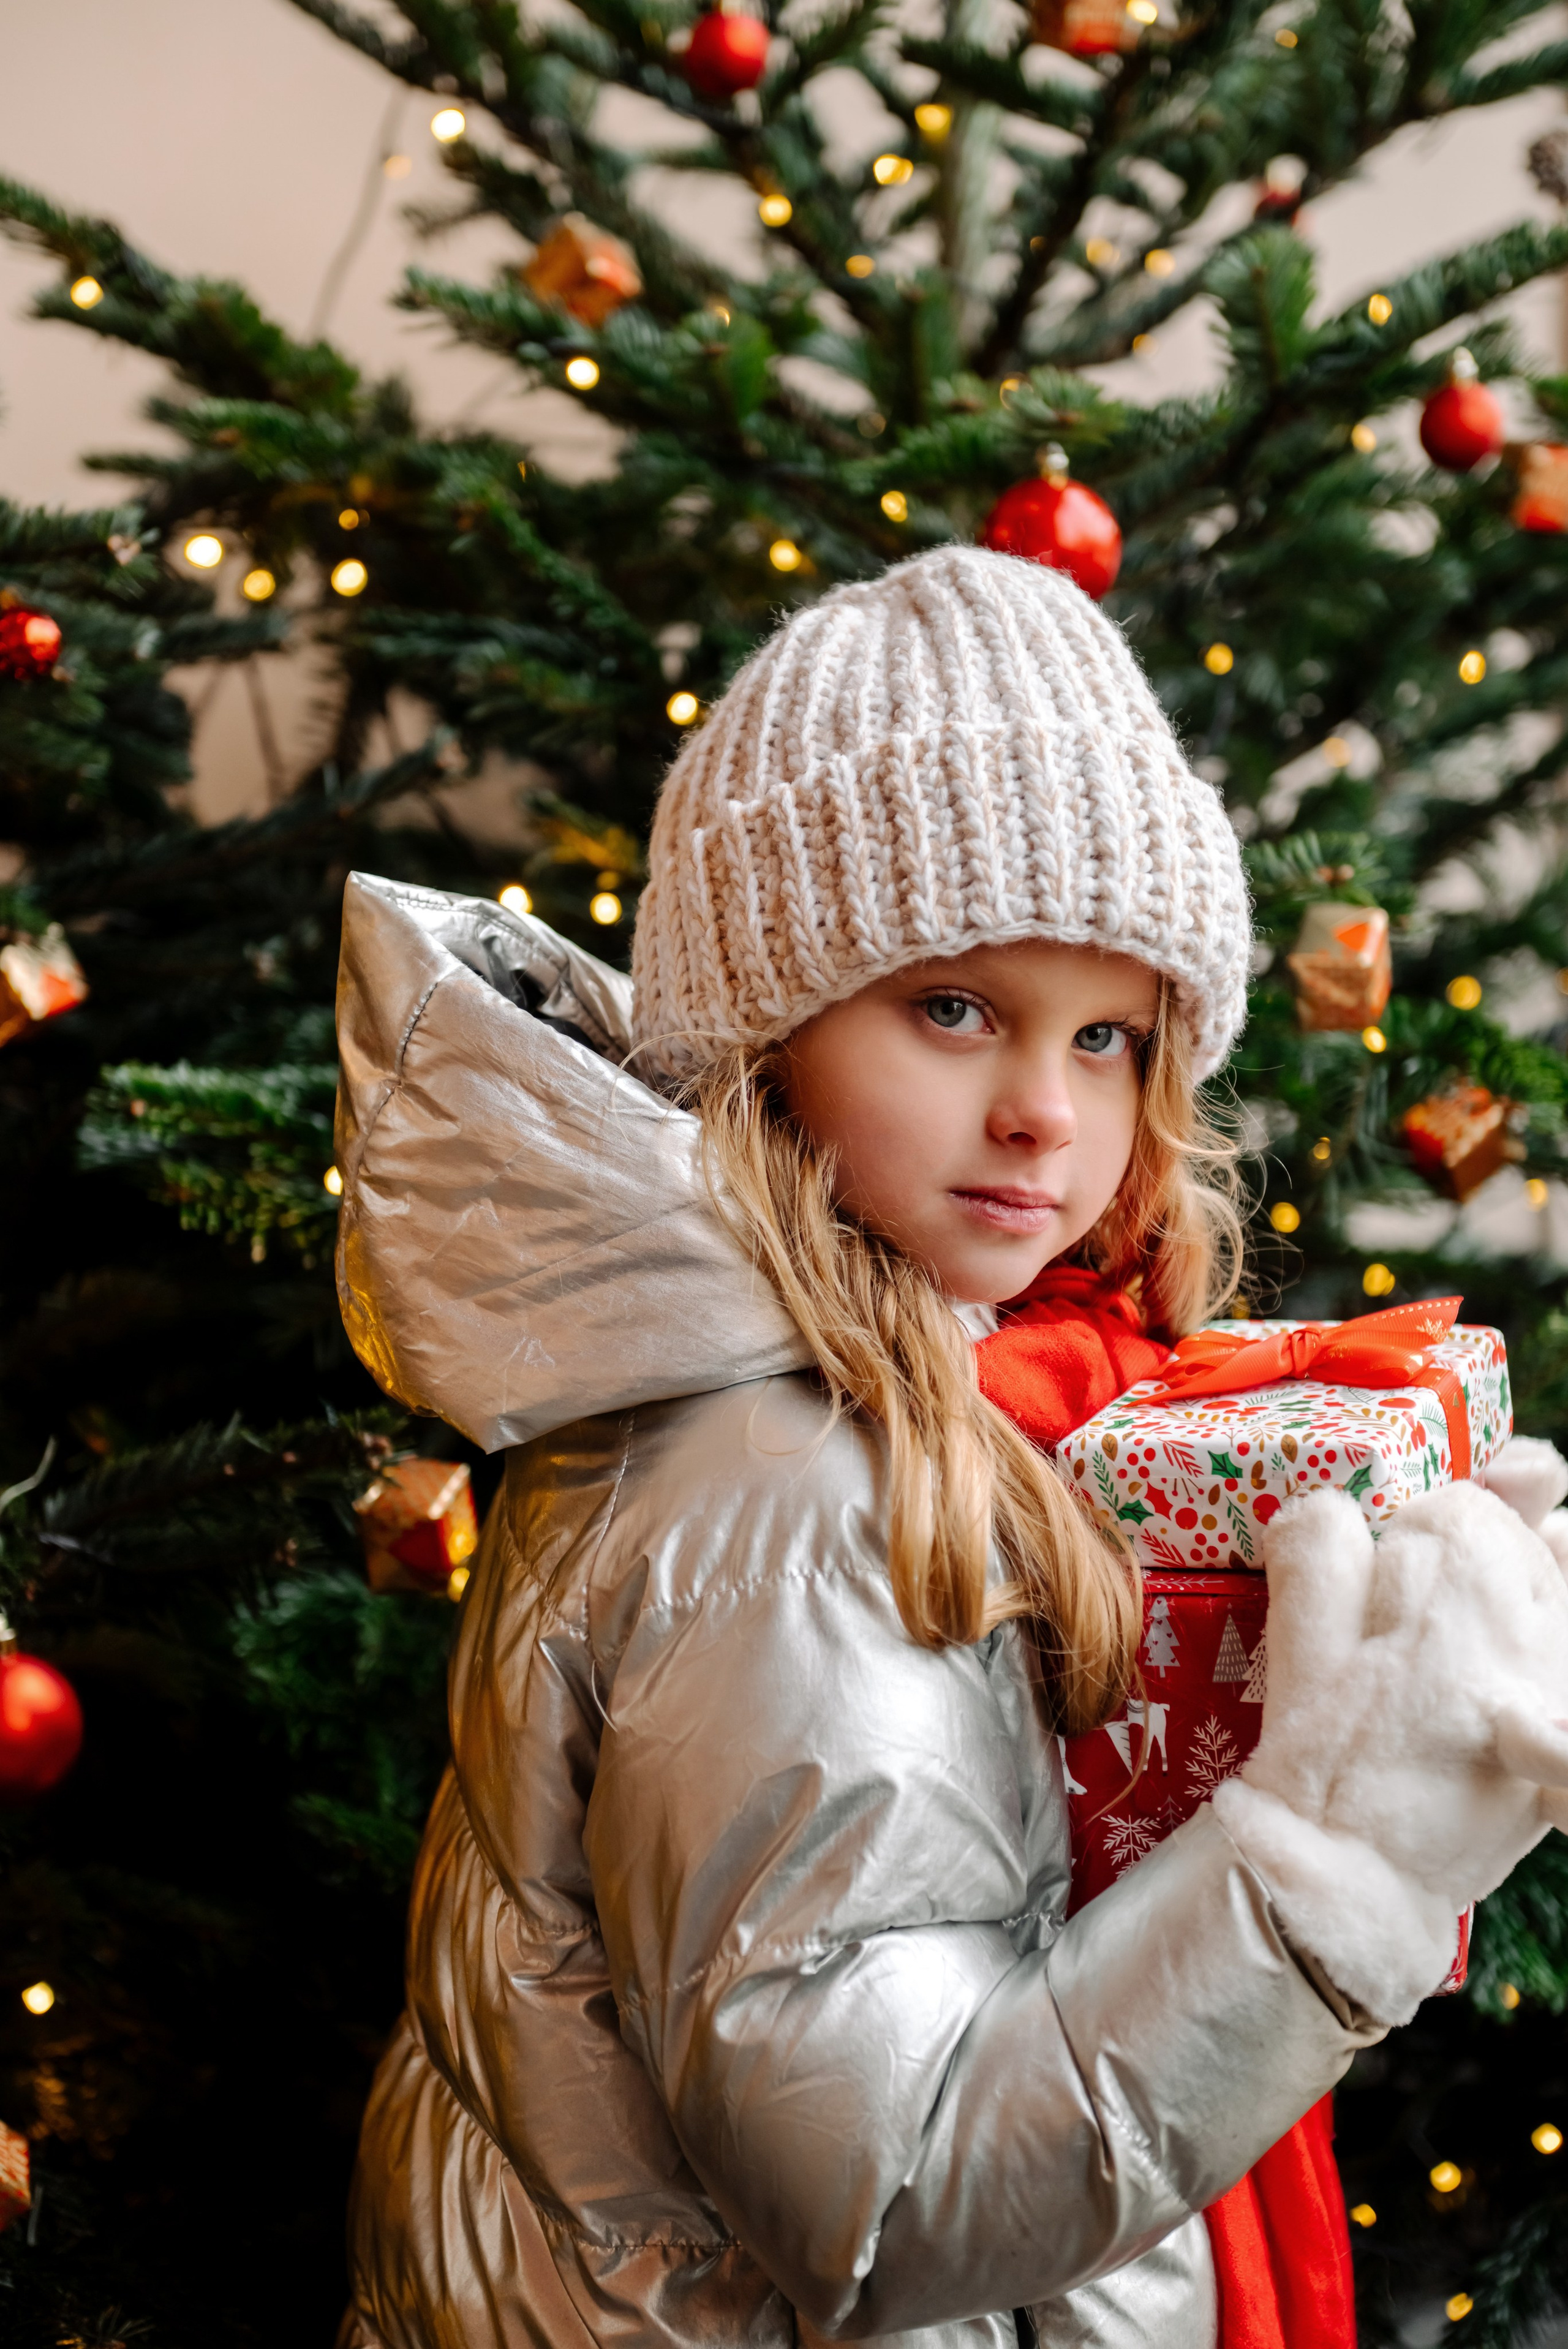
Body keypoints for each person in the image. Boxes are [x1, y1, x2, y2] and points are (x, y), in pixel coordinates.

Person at [331, 547, 1568, 2349]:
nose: (1045, 1112)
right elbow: (888, 2189)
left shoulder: (883, 1372)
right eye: (957, 1007)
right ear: (767, 1026)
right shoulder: (789, 1489)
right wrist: (1344, 1855)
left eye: (1110, 1035)